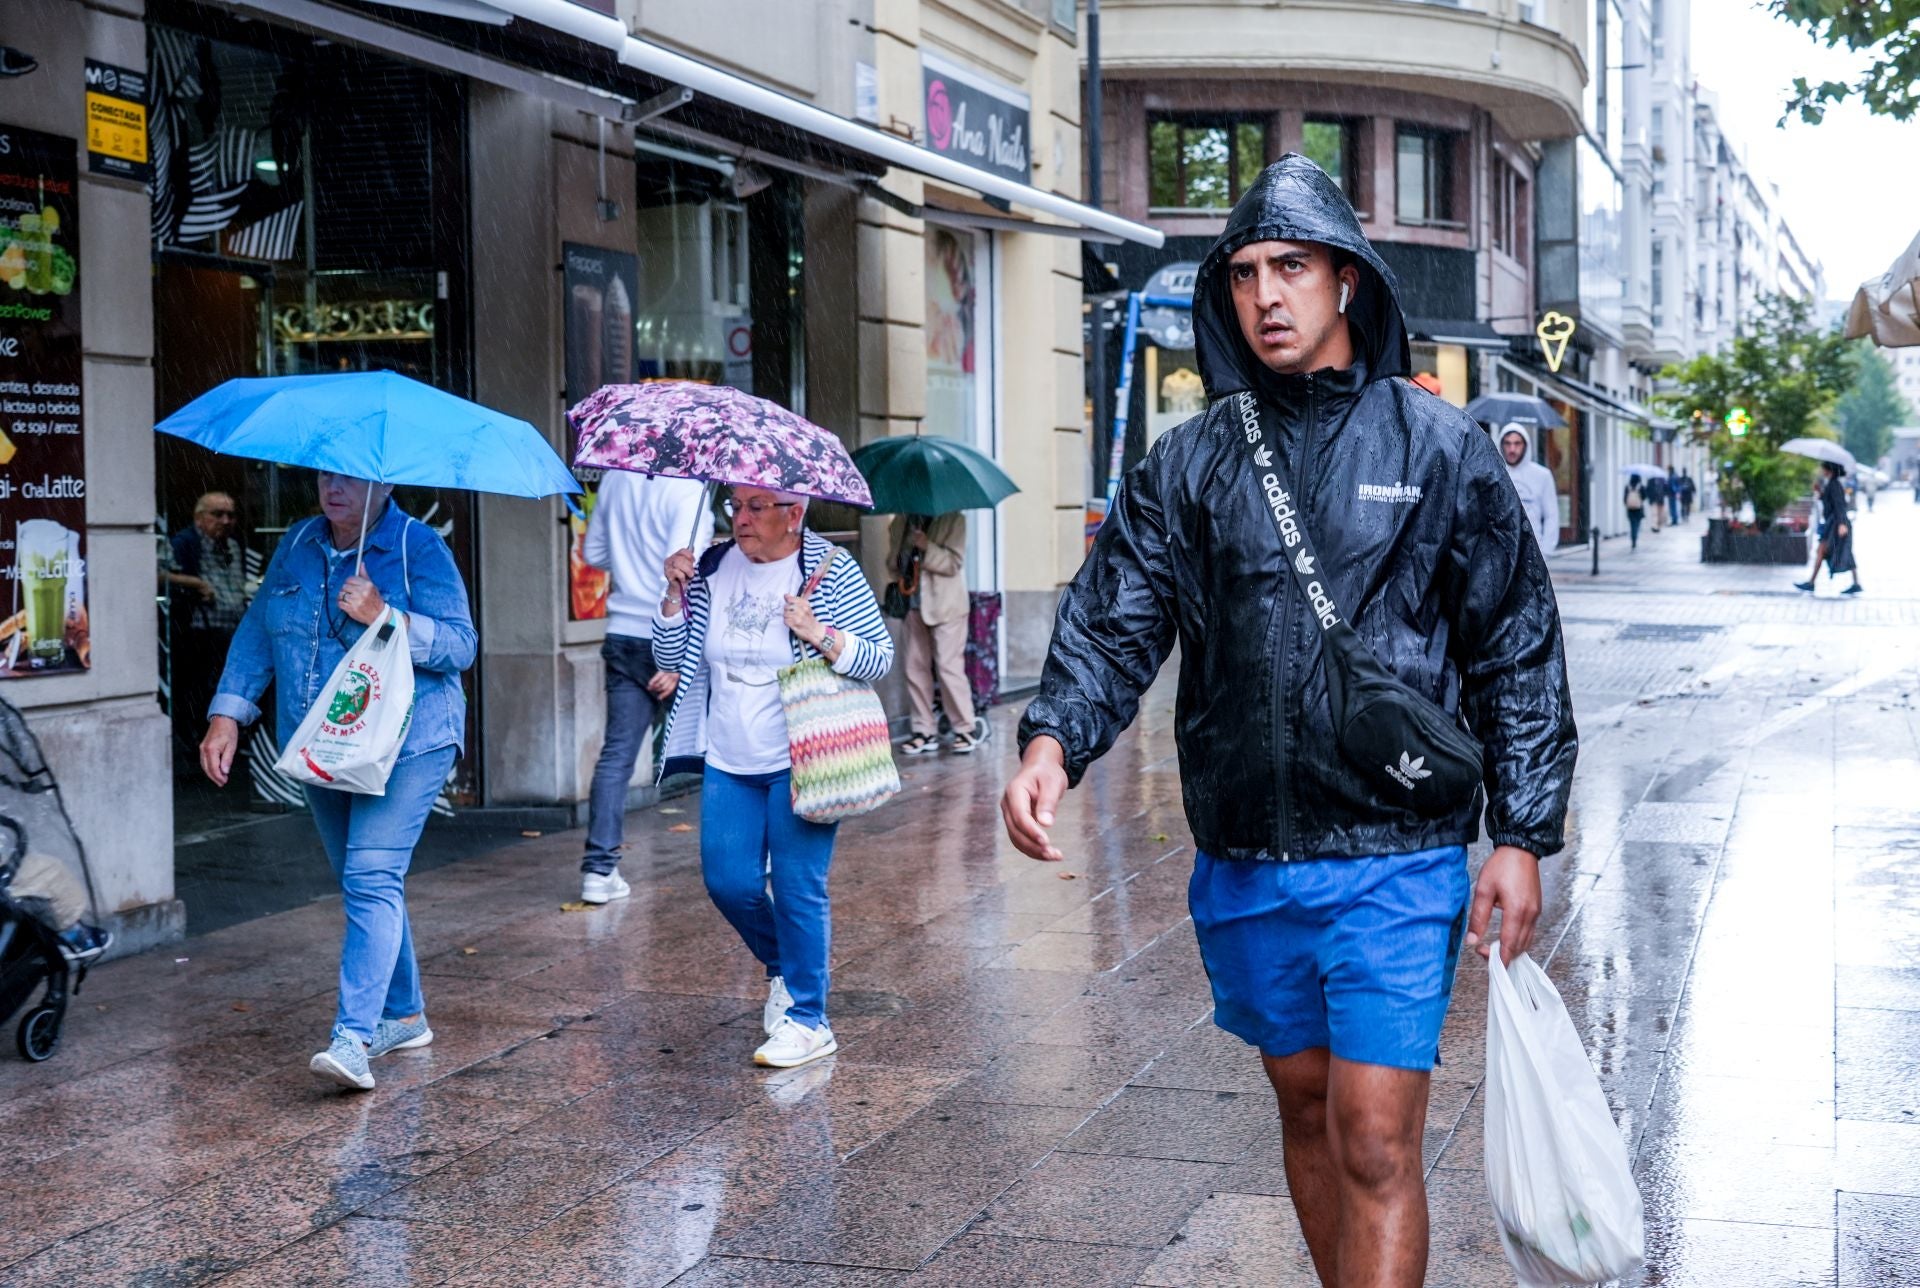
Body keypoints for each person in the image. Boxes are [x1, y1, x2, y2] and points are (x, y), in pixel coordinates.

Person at [999, 154, 1576, 1288]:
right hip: (1250, 852)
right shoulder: (1193, 460)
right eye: (1248, 272)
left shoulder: (1438, 447)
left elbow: (1515, 641)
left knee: (1372, 1129)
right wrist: (1051, 740)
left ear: (1346, 281)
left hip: (1396, 851)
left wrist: (1521, 833)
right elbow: (1118, 615)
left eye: (1293, 268)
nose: (1267, 294)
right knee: (1306, 1109)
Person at [200, 472, 476, 1091]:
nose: (334, 486)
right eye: (326, 473)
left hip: (410, 742)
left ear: (383, 482)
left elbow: (461, 646)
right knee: (365, 882)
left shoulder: (417, 546)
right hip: (324, 742)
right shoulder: (298, 541)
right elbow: (257, 632)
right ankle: (403, 1015)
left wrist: (386, 616)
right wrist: (227, 715)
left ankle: (353, 1038)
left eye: (349, 476)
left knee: (370, 875)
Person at [651, 485, 894, 1069]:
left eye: (758, 507)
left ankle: (809, 1018)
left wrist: (820, 634)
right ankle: (786, 965)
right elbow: (668, 657)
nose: (743, 518)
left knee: (797, 888)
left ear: (795, 514)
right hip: (728, 758)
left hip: (801, 758)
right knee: (728, 883)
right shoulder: (709, 564)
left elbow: (879, 657)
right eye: (736, 506)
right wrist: (670, 598)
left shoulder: (830, 570)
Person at [578, 471, 714, 904]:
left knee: (617, 754)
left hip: (623, 631)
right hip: (675, 630)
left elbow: (594, 551)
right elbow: (688, 571)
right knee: (722, 749)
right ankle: (749, 855)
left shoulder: (617, 480)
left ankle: (599, 870)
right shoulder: (690, 491)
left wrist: (631, 561)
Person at [164, 493, 252, 746]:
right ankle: (196, 740)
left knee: (228, 686)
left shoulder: (234, 546)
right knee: (199, 690)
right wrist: (195, 583)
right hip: (199, 631)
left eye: (231, 515)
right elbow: (156, 574)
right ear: (199, 517)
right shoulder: (185, 542)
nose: (225, 521)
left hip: (233, 629)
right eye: (217, 514)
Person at [890, 511, 979, 756]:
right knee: (913, 667)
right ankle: (923, 730)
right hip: (912, 601)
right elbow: (892, 561)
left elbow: (953, 564)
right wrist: (904, 548)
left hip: (946, 605)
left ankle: (965, 728)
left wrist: (925, 545)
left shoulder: (954, 519)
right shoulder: (902, 519)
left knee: (948, 666)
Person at [1795, 460, 1862, 595]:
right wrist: (1820, 492)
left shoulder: (1834, 485)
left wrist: (1842, 524)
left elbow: (1840, 505)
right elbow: (1830, 502)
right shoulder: (1832, 484)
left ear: (1829, 470)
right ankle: (1855, 583)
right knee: (1838, 552)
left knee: (1826, 551)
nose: (1821, 471)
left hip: (1836, 524)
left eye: (1823, 468)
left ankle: (1811, 583)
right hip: (1833, 524)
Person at [1498, 425, 1559, 555]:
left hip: (1533, 552)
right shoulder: (1492, 473)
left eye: (1517, 443)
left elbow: (1551, 515)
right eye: (1507, 443)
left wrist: (1546, 551)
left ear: (1526, 445)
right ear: (1501, 444)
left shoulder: (1542, 475)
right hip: (1500, 552)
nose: (1512, 449)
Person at [1624, 474, 1646, 550]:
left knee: (1632, 524)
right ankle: (1635, 538)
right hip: (1638, 509)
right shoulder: (1640, 487)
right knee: (1637, 524)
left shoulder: (1627, 486)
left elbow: (1624, 499)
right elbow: (1644, 497)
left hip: (1630, 509)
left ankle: (1633, 539)